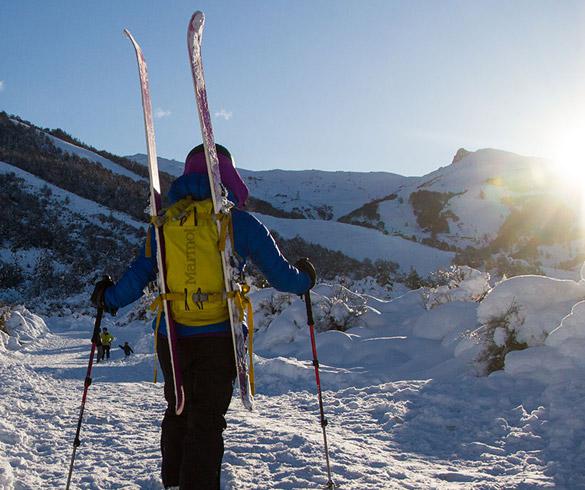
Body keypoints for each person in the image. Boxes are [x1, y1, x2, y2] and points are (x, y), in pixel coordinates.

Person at [90, 143, 316, 490]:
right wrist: (306, 279)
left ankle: (173, 484)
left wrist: (107, 297)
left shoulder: (163, 225)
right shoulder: (240, 223)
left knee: (178, 409)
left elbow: (137, 277)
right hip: (219, 337)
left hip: (172, 336)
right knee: (207, 419)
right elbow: (283, 277)